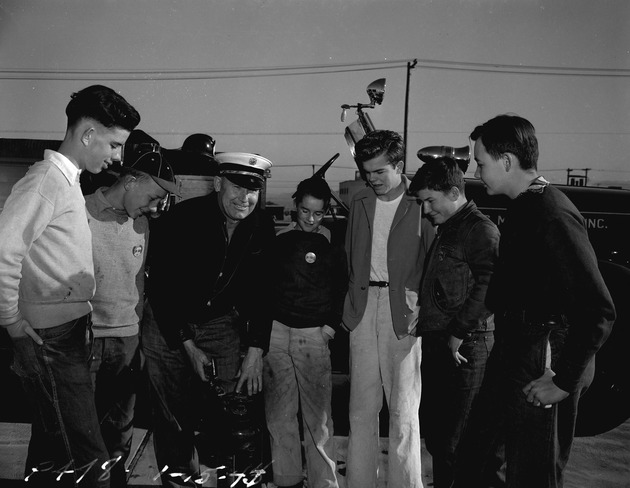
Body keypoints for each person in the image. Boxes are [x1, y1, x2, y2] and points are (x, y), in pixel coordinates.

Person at [459, 114, 616, 488]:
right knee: (477, 460)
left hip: (543, 356)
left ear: (507, 161)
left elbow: (598, 310)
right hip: (515, 351)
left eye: (481, 162)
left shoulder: (553, 213)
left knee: (533, 474)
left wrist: (563, 379)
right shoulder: (525, 207)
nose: (477, 171)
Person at [0, 84, 140, 488]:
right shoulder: (45, 181)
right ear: (87, 135)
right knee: (88, 460)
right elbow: (5, 252)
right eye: (114, 145)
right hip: (51, 341)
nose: (117, 156)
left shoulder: (68, 182)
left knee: (53, 451)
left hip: (69, 333)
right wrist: (11, 321)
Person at [142, 152, 276, 487]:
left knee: (237, 414)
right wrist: (186, 344)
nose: (244, 198)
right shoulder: (183, 218)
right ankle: (180, 482)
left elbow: (263, 291)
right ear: (217, 183)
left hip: (218, 322)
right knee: (174, 419)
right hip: (169, 322)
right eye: (236, 187)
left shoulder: (261, 226)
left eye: (253, 190)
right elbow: (161, 288)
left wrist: (256, 350)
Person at [85, 133, 178, 488]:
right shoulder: (79, 211)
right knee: (77, 432)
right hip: (85, 341)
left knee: (119, 432)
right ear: (131, 180)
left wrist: (136, 333)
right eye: (154, 196)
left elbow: (138, 282)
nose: (155, 207)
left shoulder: (142, 224)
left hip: (125, 342)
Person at [342, 130, 434, 488]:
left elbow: (432, 263)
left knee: (403, 413)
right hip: (363, 311)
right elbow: (350, 256)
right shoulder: (361, 201)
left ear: (399, 165)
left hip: (403, 315)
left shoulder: (420, 202)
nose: (372, 179)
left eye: (379, 171)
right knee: (360, 412)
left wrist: (420, 309)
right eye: (367, 172)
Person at [409, 158, 500, 488]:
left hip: (466, 348)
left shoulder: (479, 229)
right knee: (439, 439)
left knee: (456, 444)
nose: (426, 210)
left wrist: (458, 331)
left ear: (453, 192)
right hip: (445, 344)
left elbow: (492, 285)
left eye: (430, 201)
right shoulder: (450, 229)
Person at [263, 176, 348, 488]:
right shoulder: (278, 242)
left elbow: (342, 289)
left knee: (319, 419)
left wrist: (328, 329)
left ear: (326, 212)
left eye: (318, 213)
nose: (311, 220)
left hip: (313, 336)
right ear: (294, 208)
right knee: (279, 415)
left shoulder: (332, 245)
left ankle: (324, 483)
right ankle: (286, 481)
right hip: (276, 335)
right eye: (305, 212)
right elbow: (266, 289)